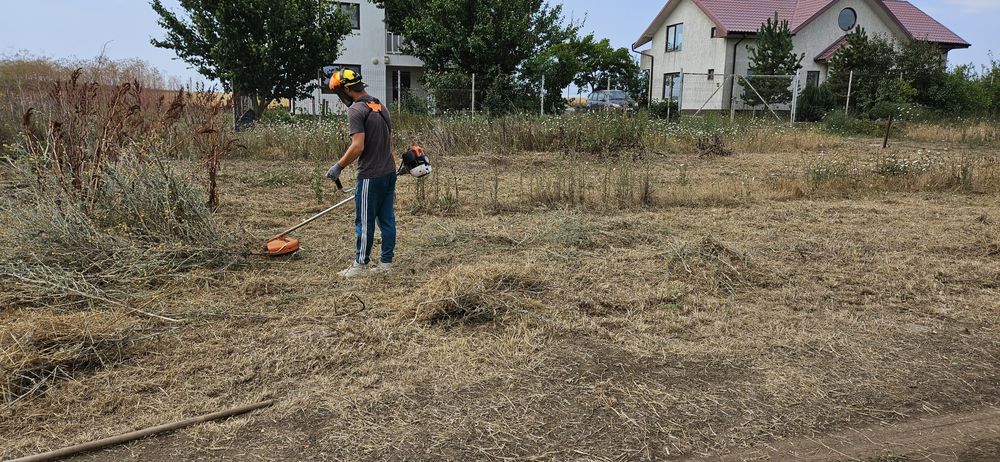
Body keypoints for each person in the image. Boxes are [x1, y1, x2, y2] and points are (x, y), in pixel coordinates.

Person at [324, 68, 396, 278]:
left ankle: (361, 264)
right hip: (388, 173)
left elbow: (358, 146)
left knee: (364, 221)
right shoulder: (379, 105)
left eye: (339, 93)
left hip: (370, 176)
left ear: (346, 89)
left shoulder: (356, 110)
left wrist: (338, 167)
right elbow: (388, 141)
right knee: (387, 220)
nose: (340, 98)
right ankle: (385, 264)